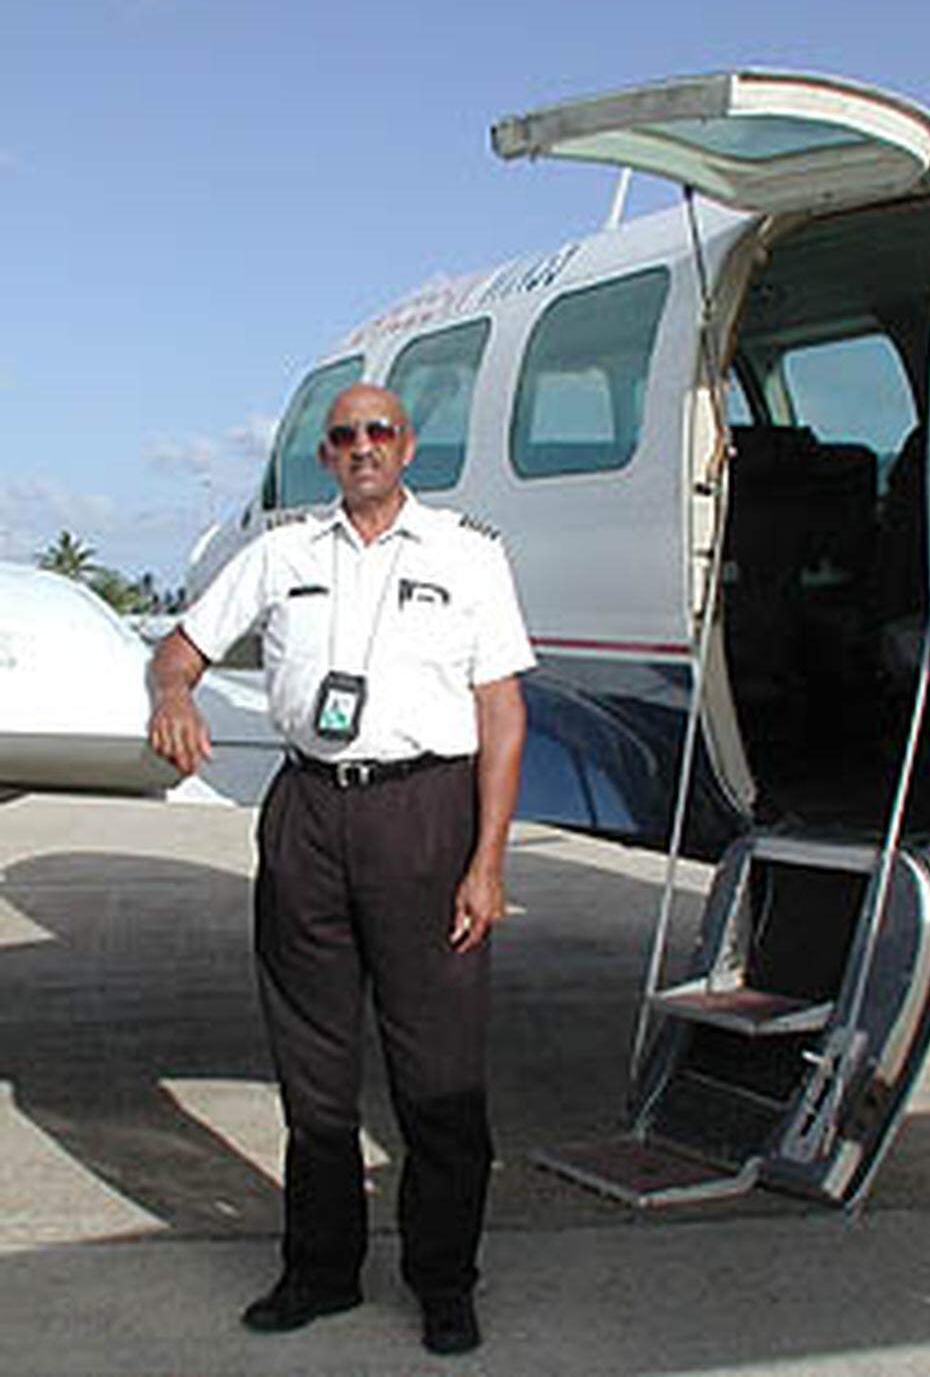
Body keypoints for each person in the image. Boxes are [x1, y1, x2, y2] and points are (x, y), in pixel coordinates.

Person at [147, 383, 533, 1356]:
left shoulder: (469, 555)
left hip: (426, 813)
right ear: (326, 457)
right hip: (309, 814)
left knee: (437, 1071)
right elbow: (178, 651)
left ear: (408, 447)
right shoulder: (281, 554)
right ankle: (320, 1273)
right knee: (312, 1069)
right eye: (344, 436)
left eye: (379, 432)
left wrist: (486, 863)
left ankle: (444, 1282)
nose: (362, 447)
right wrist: (173, 699)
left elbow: (502, 717)